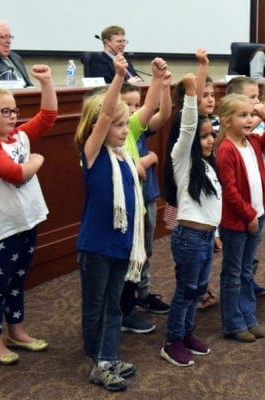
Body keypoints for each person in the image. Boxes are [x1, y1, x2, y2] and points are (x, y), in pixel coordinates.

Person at [0, 64, 57, 365]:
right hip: (1, 229)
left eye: (14, 110)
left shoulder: (18, 136)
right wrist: (37, 160)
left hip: (26, 221)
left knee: (18, 281)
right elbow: (16, 174)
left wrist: (46, 82)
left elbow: (48, 117)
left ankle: (16, 331)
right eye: (5, 111)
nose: (13, 116)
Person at [74, 54, 143, 392]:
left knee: (114, 304)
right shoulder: (93, 154)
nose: (124, 130)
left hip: (120, 245)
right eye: (118, 125)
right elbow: (104, 114)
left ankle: (108, 355)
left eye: (126, 124)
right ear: (97, 128)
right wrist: (118, 77)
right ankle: (97, 362)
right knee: (96, 306)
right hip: (96, 245)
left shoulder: (124, 158)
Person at [160, 50, 219, 367]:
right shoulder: (182, 160)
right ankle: (172, 341)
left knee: (197, 291)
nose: (210, 141)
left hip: (206, 238)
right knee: (185, 290)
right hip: (189, 238)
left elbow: (214, 204)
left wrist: (216, 233)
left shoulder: (208, 166)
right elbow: (187, 127)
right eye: (204, 137)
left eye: (212, 136)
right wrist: (193, 93)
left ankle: (186, 333)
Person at [215, 94, 265, 342]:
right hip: (238, 222)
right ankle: (233, 323)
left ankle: (248, 317)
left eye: (251, 115)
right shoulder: (226, 149)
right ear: (226, 121)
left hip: (256, 217)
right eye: (243, 115)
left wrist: (263, 113)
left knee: (246, 272)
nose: (249, 120)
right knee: (233, 273)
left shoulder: (253, 141)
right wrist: (249, 215)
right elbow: (230, 191)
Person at [117, 59, 173, 334]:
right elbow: (133, 165)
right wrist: (148, 158)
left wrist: (162, 84)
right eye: (127, 104)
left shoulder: (136, 127)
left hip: (145, 196)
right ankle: (124, 308)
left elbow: (160, 113)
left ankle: (140, 294)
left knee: (144, 250)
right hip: (126, 204)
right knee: (128, 255)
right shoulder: (115, 133)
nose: (133, 109)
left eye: (135, 104)